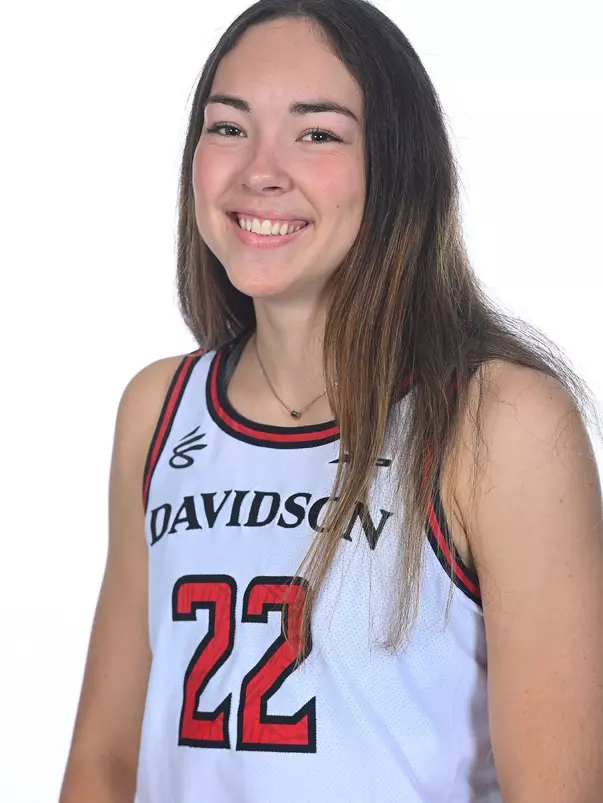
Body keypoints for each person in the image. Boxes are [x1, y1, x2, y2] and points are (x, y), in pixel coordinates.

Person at [59, 1, 603, 801]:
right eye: (227, 126)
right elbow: (103, 763)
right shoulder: (157, 408)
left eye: (317, 133)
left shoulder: (501, 423)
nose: (260, 170)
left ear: (397, 166)